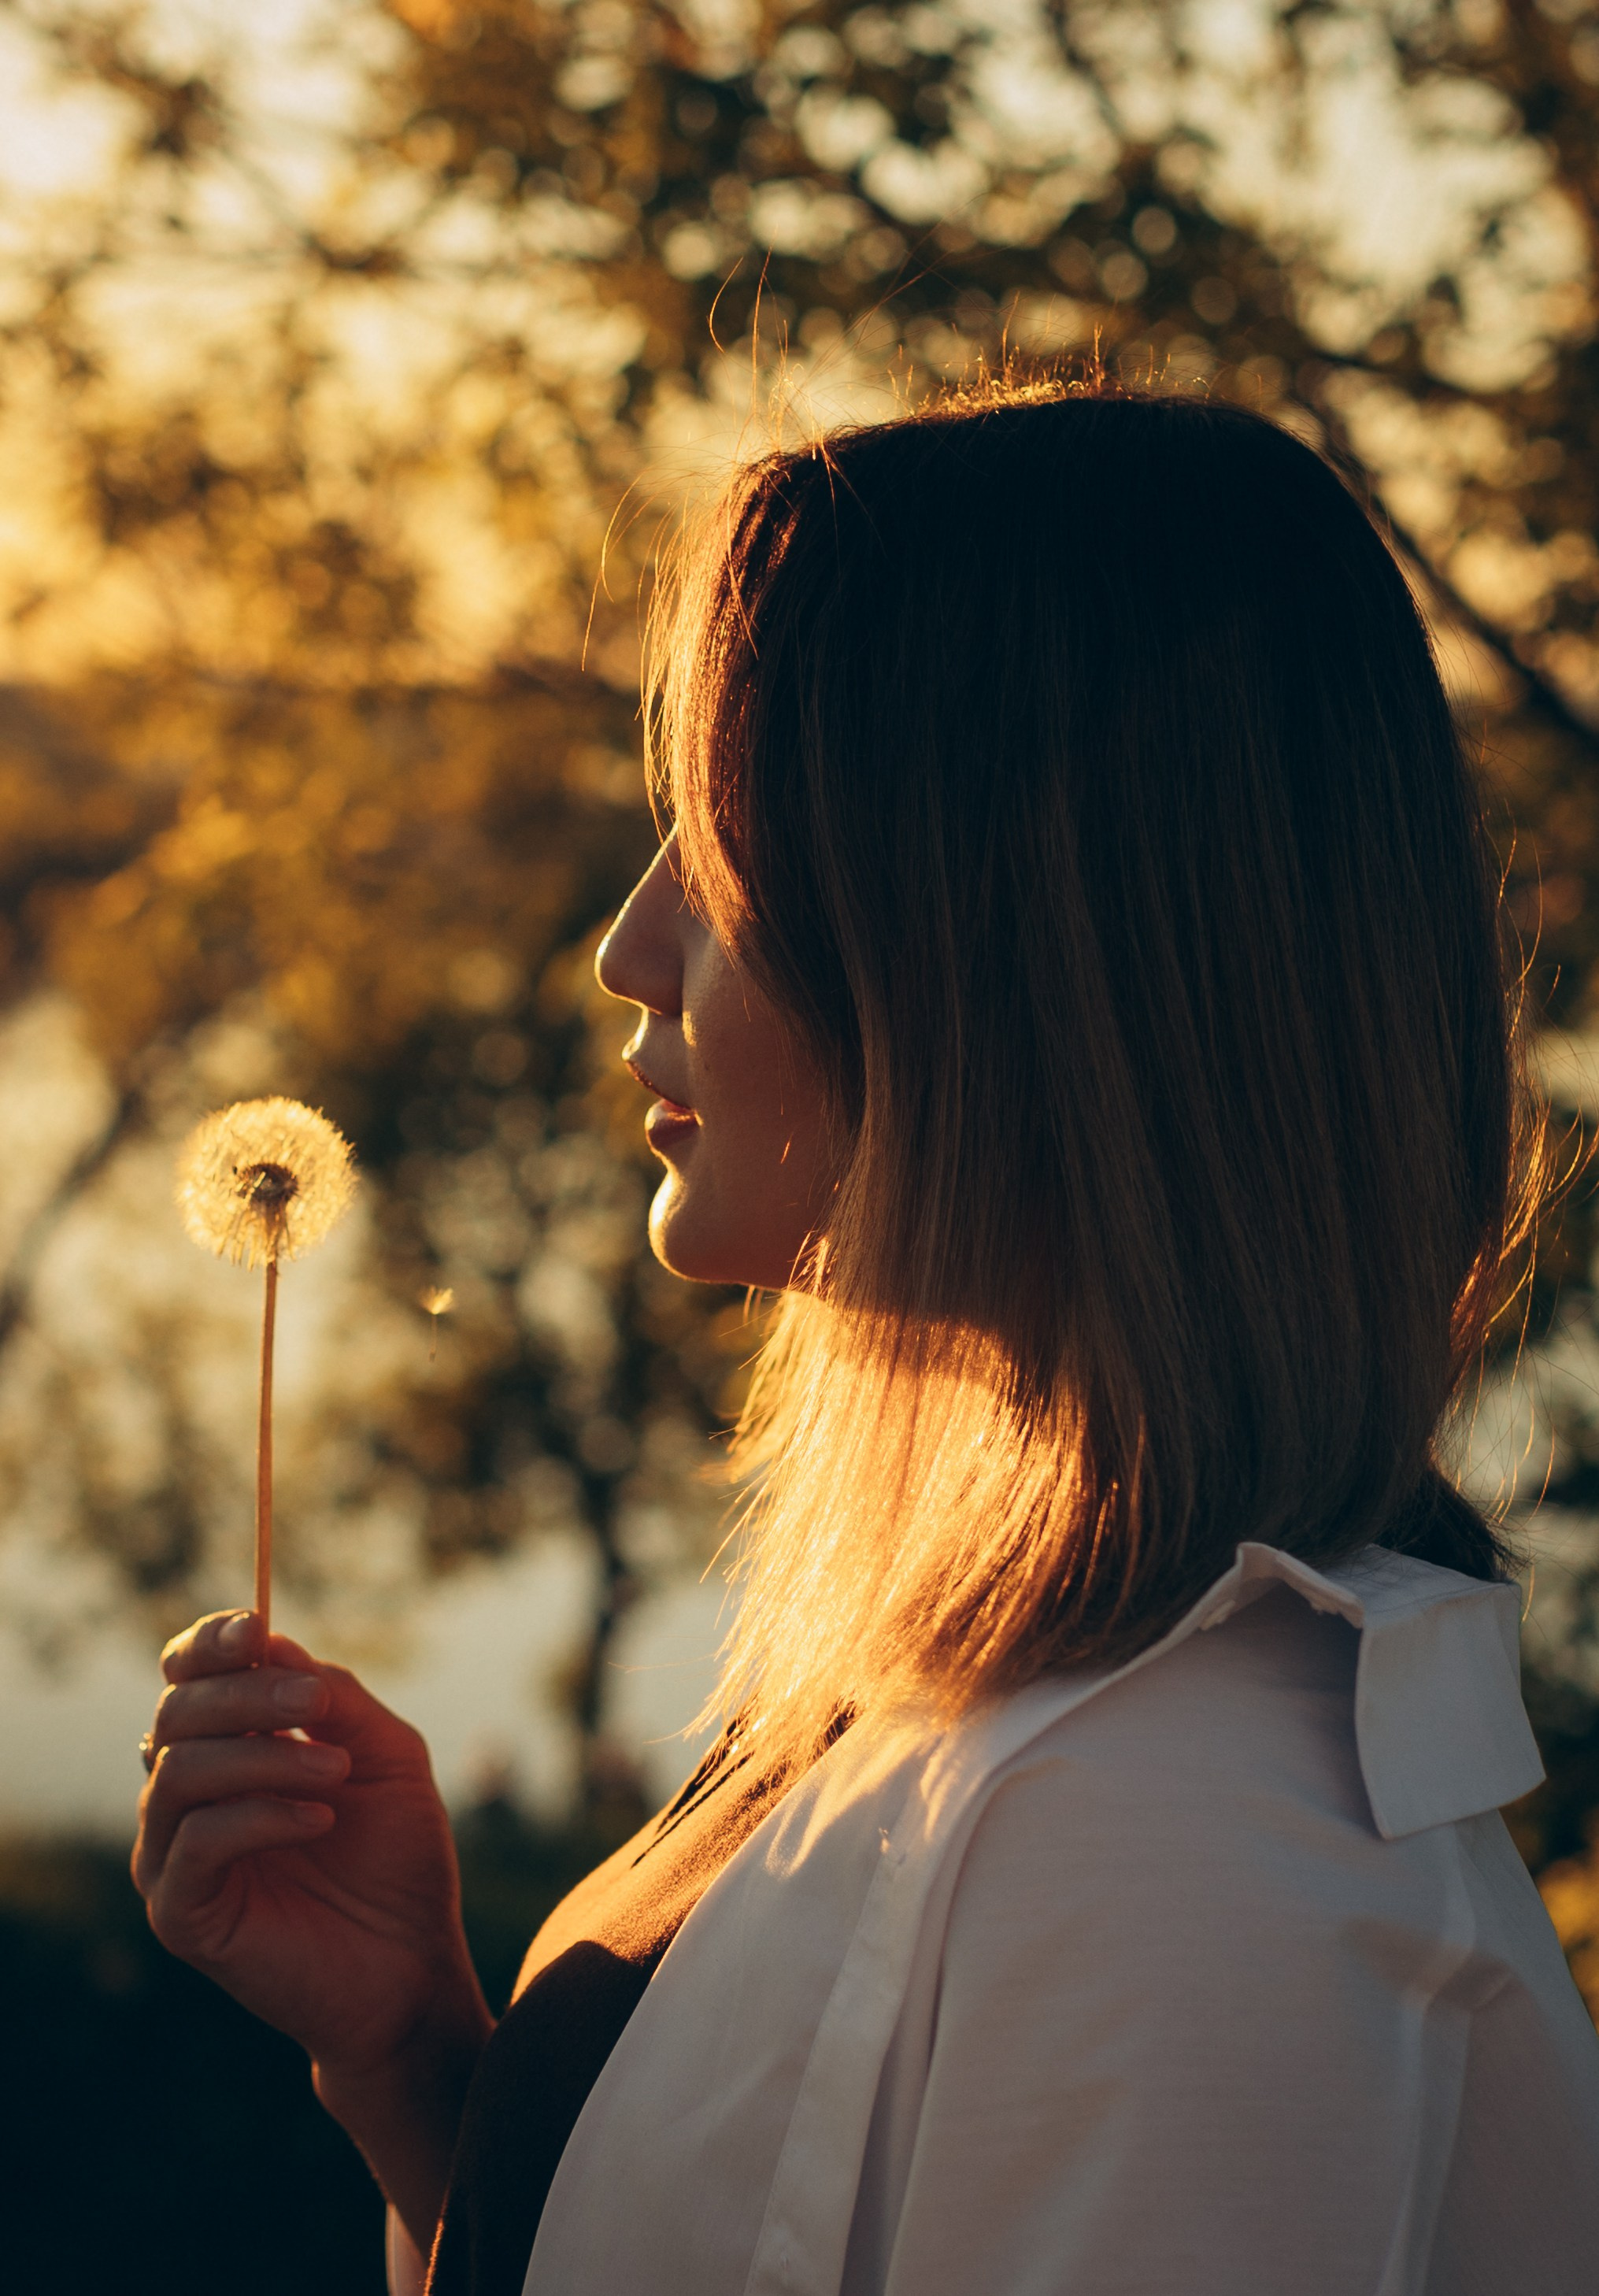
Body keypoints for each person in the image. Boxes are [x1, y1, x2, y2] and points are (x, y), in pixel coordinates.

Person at [132, 381, 1599, 2294]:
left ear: (991, 951)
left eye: (723, 842)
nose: (629, 949)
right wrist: (421, 2066)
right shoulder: (993, 1695)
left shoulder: (1190, 1866)